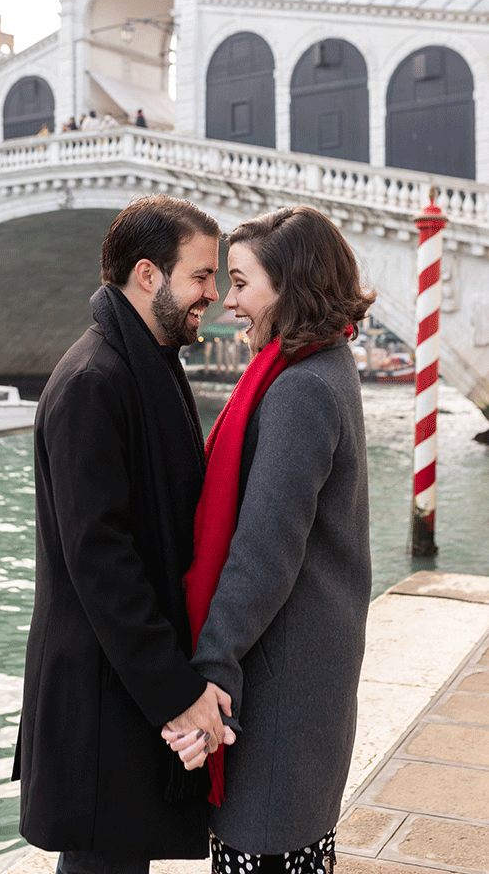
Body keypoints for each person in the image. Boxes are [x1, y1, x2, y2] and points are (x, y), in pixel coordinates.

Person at [13, 194, 235, 872]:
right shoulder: (94, 382)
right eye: (199, 276)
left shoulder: (143, 363)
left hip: (119, 686)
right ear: (148, 275)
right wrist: (178, 693)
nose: (213, 294)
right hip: (100, 696)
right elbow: (100, 560)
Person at [164, 205, 376, 874]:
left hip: (282, 677)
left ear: (289, 285)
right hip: (312, 661)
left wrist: (213, 665)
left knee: (263, 846)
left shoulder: (298, 390)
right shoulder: (325, 368)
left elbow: (264, 550)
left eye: (240, 282)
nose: (229, 301)